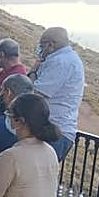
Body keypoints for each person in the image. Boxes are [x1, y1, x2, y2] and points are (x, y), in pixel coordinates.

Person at [30, 26, 85, 161]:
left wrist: (32, 72)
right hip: (56, 130)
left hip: (54, 132)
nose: (40, 49)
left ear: (51, 45)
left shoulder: (61, 62)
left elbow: (35, 94)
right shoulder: (66, 59)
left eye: (42, 45)